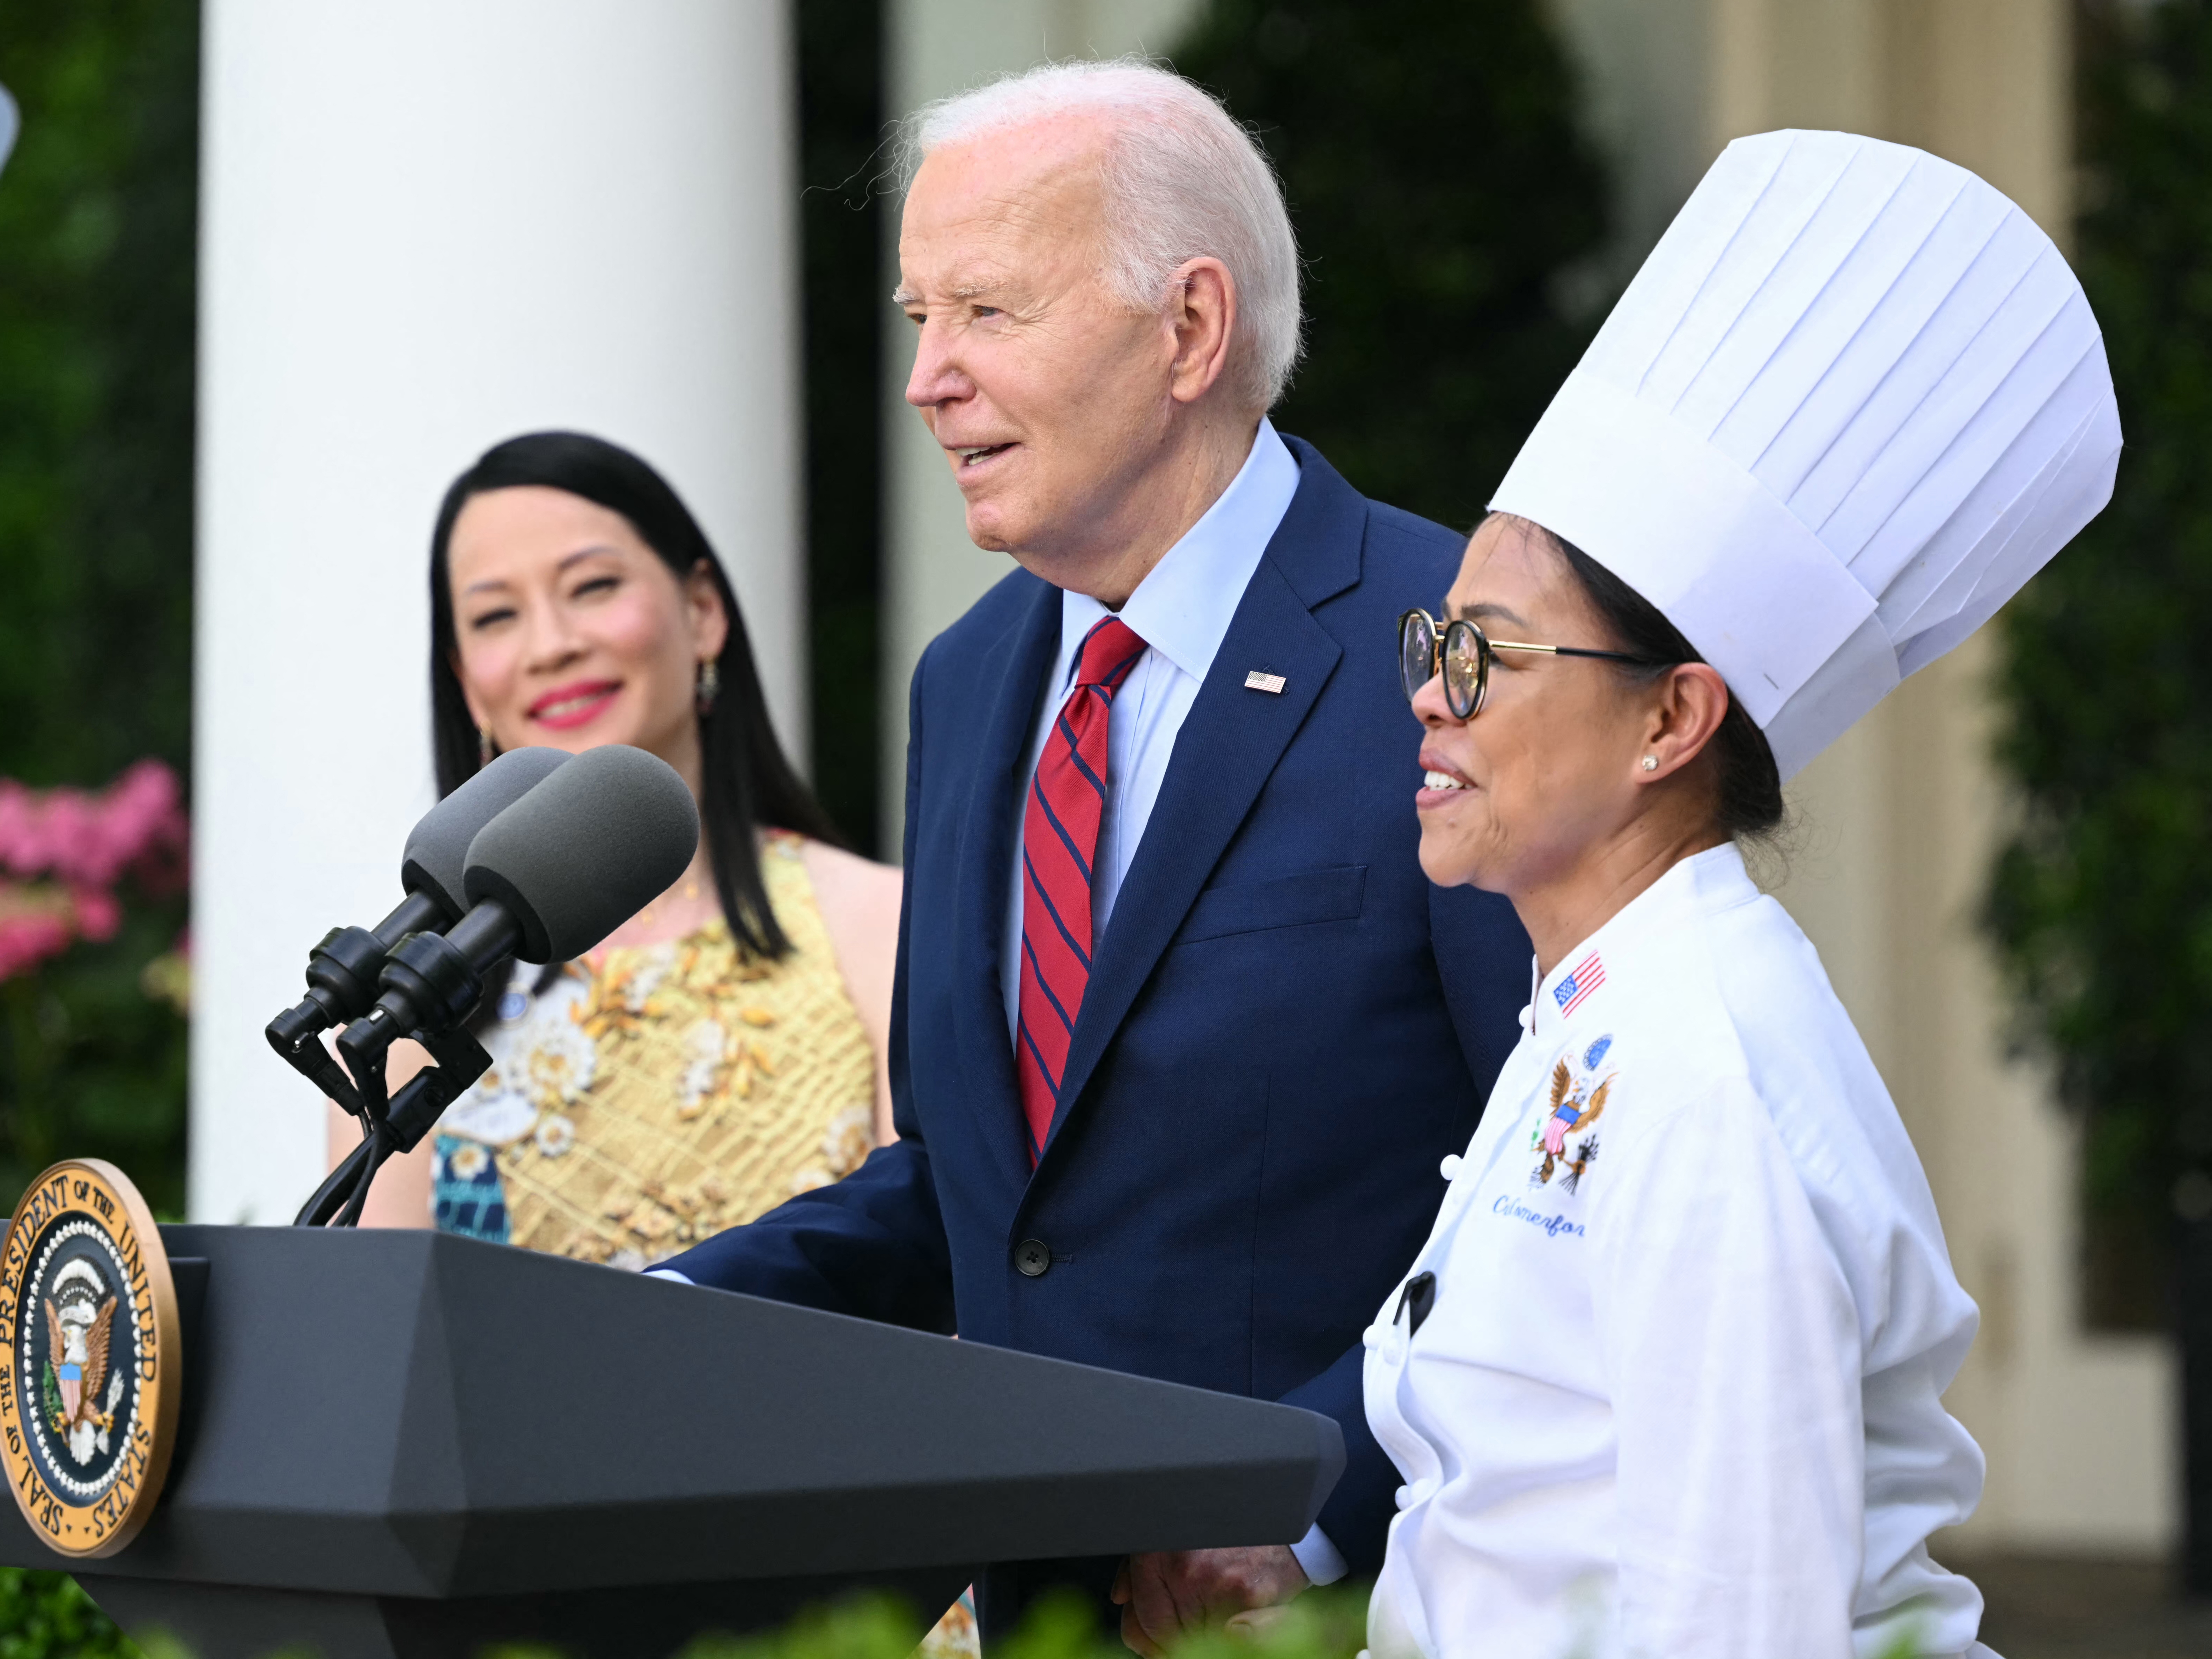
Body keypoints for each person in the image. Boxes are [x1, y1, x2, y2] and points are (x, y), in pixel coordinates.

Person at [654, 58, 1529, 1649]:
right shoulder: (970, 678)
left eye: (984, 312)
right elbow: (971, 1192)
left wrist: (1308, 1501)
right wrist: (653, 1314)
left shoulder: (1457, 645)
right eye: (921, 317)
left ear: (1188, 330)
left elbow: (1560, 1178)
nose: (926, 378)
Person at [1362, 129, 2120, 1659]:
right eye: (1434, 644)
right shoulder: (1599, 1003)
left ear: (1672, 722)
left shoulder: (1707, 1070)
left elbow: (1741, 1623)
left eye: (1488, 656)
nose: (1433, 701)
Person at [333, 431, 903, 1266]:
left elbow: (942, 1293)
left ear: (702, 612)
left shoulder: (879, 922)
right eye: (497, 616)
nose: (552, 644)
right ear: (466, 680)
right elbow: (370, 1336)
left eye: (593, 587)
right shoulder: (414, 989)